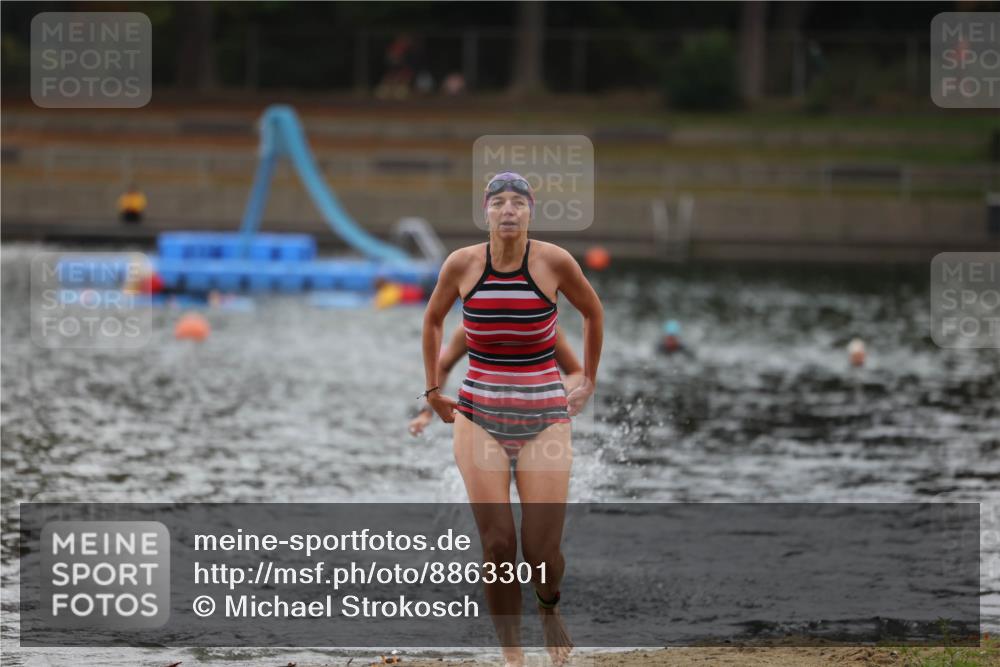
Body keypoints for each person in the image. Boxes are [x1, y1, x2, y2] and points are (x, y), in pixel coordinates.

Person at [421, 172, 603, 666]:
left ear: (530, 211)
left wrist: (587, 382)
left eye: (517, 203)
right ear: (485, 212)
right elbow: (433, 319)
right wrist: (433, 392)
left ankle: (549, 608)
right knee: (499, 543)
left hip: (545, 416)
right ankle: (513, 657)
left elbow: (593, 312)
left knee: (541, 553)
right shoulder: (461, 264)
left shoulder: (554, 262)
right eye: (498, 202)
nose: (507, 210)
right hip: (478, 414)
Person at [409, 324, 584, 437]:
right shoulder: (468, 330)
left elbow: (577, 372)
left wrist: (561, 388)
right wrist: (427, 412)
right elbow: (443, 366)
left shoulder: (546, 330)